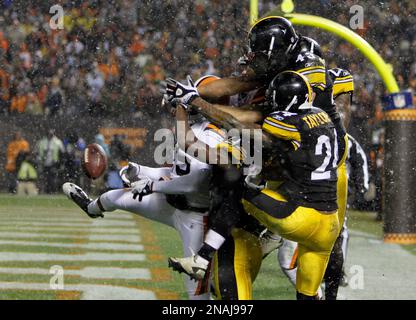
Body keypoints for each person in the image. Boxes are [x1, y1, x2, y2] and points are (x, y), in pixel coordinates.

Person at [36, 129, 64, 194]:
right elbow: (39, 152)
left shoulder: (58, 142)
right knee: (45, 177)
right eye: (49, 134)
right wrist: (40, 160)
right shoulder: (42, 142)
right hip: (44, 163)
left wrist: (60, 163)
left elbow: (62, 153)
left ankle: (53, 190)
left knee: (52, 177)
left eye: (51, 134)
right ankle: (46, 190)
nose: (50, 135)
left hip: (54, 163)